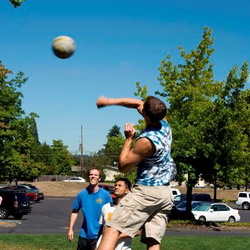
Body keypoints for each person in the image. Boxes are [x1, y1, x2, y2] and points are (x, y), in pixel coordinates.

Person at [96, 96, 177, 250]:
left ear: (146, 115)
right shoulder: (164, 123)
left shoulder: (146, 141)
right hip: (165, 193)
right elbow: (138, 104)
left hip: (147, 193)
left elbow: (123, 166)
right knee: (152, 239)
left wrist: (128, 140)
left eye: (143, 109)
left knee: (112, 228)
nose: (140, 107)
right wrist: (109, 102)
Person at [67, 168, 113, 250]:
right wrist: (70, 229)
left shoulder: (105, 195)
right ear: (88, 176)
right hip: (84, 235)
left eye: (95, 175)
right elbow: (74, 212)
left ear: (99, 178)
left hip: (99, 235)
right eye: (91, 174)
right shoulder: (82, 194)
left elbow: (111, 213)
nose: (93, 176)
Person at [96, 177, 133, 250]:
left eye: (120, 186)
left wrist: (113, 236)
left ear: (127, 190)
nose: (116, 187)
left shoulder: (131, 209)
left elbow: (137, 231)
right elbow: (102, 229)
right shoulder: (106, 207)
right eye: (115, 185)